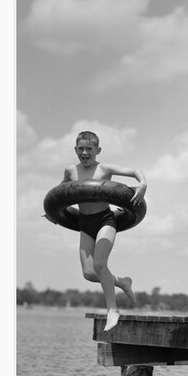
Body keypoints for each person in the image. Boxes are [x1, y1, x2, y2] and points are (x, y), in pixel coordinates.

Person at [55, 130, 147, 332]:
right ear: (75, 150)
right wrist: (54, 212)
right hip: (84, 222)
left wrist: (143, 184)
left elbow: (134, 171)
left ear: (98, 150)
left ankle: (112, 310)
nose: (85, 153)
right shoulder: (71, 171)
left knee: (99, 264)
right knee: (89, 273)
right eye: (81, 149)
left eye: (89, 149)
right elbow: (59, 193)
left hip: (105, 220)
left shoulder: (104, 168)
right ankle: (122, 282)